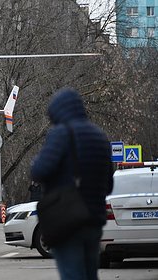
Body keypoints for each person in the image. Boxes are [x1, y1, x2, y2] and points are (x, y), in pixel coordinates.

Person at [31, 88, 113, 280]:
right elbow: (109, 185)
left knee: (72, 275)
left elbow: (39, 171)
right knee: (89, 274)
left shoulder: (61, 134)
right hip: (94, 220)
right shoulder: (100, 136)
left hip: (67, 219)